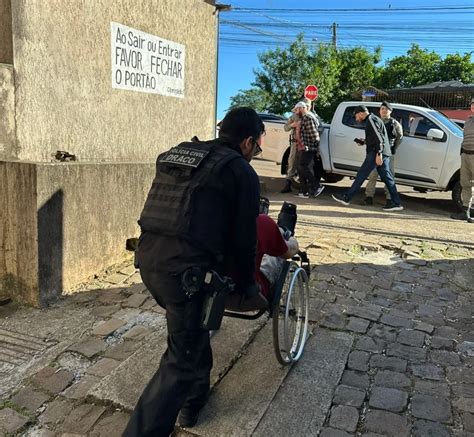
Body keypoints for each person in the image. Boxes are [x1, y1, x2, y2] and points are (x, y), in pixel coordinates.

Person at [123, 107, 266, 437]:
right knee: (180, 363)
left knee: (192, 332)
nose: (256, 153)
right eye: (257, 146)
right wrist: (246, 287)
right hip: (185, 275)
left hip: (150, 261)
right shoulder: (241, 173)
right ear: (247, 142)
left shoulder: (182, 153)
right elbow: (246, 241)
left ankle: (192, 406)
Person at [331, 105, 404, 211]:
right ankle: (396, 203)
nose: (356, 119)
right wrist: (364, 142)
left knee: (361, 175)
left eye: (356, 116)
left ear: (361, 113)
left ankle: (347, 198)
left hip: (376, 153)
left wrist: (379, 154)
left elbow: (379, 137)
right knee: (388, 178)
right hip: (382, 153)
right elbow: (376, 137)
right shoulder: (374, 119)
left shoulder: (371, 120)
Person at [364, 101, 404, 206]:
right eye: (382, 108)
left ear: (390, 111)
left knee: (388, 176)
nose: (384, 110)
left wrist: (393, 149)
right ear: (379, 110)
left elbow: (400, 137)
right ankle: (369, 197)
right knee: (372, 175)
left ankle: (390, 199)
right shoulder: (375, 121)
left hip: (388, 154)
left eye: (386, 109)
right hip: (375, 153)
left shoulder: (395, 124)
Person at [280, 98, 313, 193]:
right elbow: (286, 128)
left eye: (308, 105)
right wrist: (292, 125)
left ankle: (307, 187)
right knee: (292, 162)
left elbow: (320, 129)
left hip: (307, 143)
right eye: (305, 105)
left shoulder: (312, 116)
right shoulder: (294, 116)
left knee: (307, 165)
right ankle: (288, 184)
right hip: (295, 143)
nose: (307, 107)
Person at [293, 101, 325, 199]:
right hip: (304, 147)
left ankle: (316, 185)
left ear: (302, 108)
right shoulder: (305, 118)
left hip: (308, 147)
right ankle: (304, 191)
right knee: (301, 167)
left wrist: (314, 146)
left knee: (303, 166)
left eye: (297, 109)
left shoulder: (307, 118)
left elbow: (314, 134)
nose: (296, 112)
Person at [451, 97, 474, 223]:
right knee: (466, 183)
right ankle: (465, 212)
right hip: (465, 155)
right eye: (472, 104)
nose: (473, 106)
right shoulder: (468, 120)